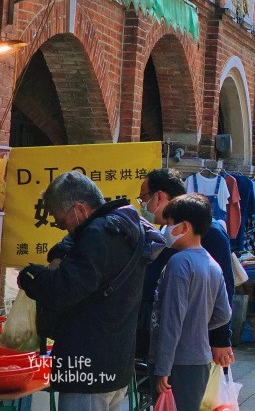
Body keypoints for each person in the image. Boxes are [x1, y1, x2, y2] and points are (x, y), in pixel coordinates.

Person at [19, 172, 165, 411]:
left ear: (79, 209)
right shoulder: (127, 226)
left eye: (60, 220)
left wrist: (33, 277)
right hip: (115, 362)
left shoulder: (98, 234)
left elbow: (65, 288)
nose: (62, 227)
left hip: (87, 366)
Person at [137, 169, 235, 366]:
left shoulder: (209, 232)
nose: (142, 205)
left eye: (143, 198)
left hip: (194, 344)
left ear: (159, 196)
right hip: (161, 340)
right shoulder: (162, 233)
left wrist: (221, 339)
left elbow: (224, 290)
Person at [150, 194, 232, 411]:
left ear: (184, 226)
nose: (165, 230)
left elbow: (172, 322)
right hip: (200, 359)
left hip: (177, 363)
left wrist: (162, 369)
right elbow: (224, 314)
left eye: (168, 224)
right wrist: (198, 327)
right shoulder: (212, 264)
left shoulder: (179, 263)